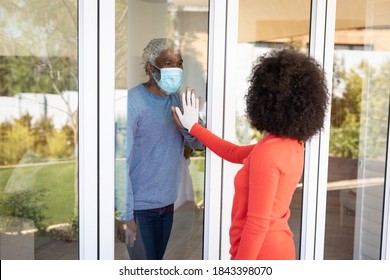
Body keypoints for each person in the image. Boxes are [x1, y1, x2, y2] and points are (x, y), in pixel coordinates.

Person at [173, 47, 329, 260]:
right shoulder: (291, 145)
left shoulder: (270, 152)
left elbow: (257, 223)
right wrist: (193, 127)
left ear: (266, 100)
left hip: (262, 254)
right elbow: (233, 152)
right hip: (276, 248)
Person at [116, 38, 205, 260]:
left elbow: (200, 144)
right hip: (139, 209)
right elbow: (120, 161)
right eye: (168, 63)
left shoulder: (179, 100)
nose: (176, 69)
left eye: (179, 63)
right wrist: (125, 215)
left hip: (167, 205)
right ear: (150, 67)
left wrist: (188, 124)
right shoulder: (132, 102)